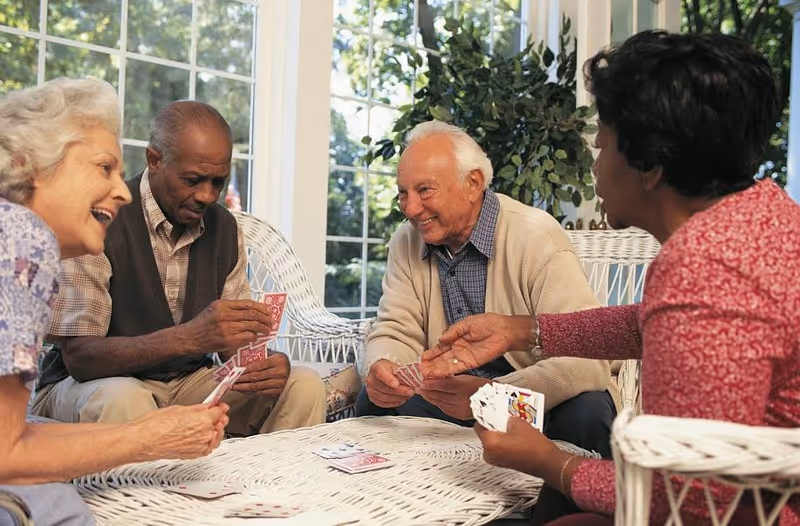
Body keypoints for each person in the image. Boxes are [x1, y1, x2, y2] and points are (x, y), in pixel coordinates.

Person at [421, 31, 800, 525]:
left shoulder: (705, 265)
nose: (596, 165)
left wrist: (547, 460)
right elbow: (651, 324)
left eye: (602, 144)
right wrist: (521, 330)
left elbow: (684, 499)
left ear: (649, 165)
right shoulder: (762, 218)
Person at [0, 78, 228, 526]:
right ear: (30, 167)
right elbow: (8, 451)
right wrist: (149, 437)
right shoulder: (22, 239)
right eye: (104, 167)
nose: (123, 190)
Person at [31, 100, 327, 435]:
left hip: (187, 384)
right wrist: (186, 339)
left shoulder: (225, 228)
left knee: (302, 384)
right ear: (154, 160)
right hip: (93, 385)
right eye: (193, 179)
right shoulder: (101, 217)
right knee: (124, 398)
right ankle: (142, 490)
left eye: (218, 182)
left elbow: (235, 345)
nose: (206, 195)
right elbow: (81, 358)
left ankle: (274, 487)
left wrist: (265, 364)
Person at [357, 120, 619, 458]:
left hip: (528, 403)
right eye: (403, 194)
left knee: (589, 411)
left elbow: (586, 362)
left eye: (424, 191)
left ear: (473, 184)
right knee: (371, 401)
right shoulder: (405, 243)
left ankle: (583, 505)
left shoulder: (537, 236)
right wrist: (383, 367)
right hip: (449, 404)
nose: (410, 208)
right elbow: (394, 329)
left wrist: (494, 397)